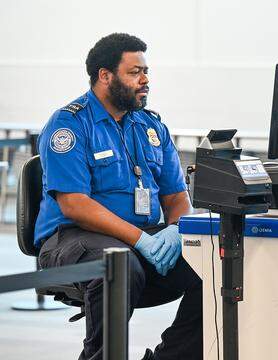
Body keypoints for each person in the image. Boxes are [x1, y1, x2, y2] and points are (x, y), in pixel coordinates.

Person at [34, 33, 202, 360]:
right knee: (120, 267)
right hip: (71, 240)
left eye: (146, 71)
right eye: (135, 72)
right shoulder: (69, 123)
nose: (146, 80)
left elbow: (176, 197)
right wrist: (142, 240)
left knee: (212, 261)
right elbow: (75, 205)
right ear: (105, 76)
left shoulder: (151, 127)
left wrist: (176, 229)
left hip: (137, 240)